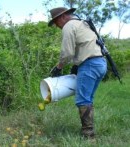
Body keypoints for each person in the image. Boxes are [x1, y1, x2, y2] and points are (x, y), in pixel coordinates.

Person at [48, 7, 107, 139]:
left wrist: (58, 67)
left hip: (90, 65)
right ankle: (89, 130)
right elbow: (85, 45)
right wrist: (76, 65)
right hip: (100, 63)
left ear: (62, 17)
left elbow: (67, 53)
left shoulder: (68, 26)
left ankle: (88, 135)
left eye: (56, 22)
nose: (57, 26)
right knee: (88, 99)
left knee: (82, 100)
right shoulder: (83, 23)